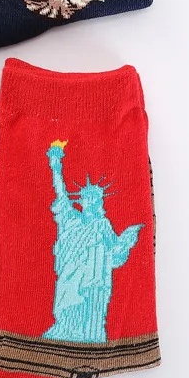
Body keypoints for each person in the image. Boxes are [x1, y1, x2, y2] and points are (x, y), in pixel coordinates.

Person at [43, 140, 142, 343]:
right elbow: (61, 194)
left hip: (94, 283)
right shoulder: (72, 220)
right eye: (87, 199)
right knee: (66, 305)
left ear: (98, 203)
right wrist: (56, 166)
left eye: (94, 200)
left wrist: (126, 241)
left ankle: (84, 337)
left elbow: (114, 254)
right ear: (82, 201)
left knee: (87, 311)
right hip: (70, 275)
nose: (90, 202)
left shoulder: (102, 225)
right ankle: (65, 330)